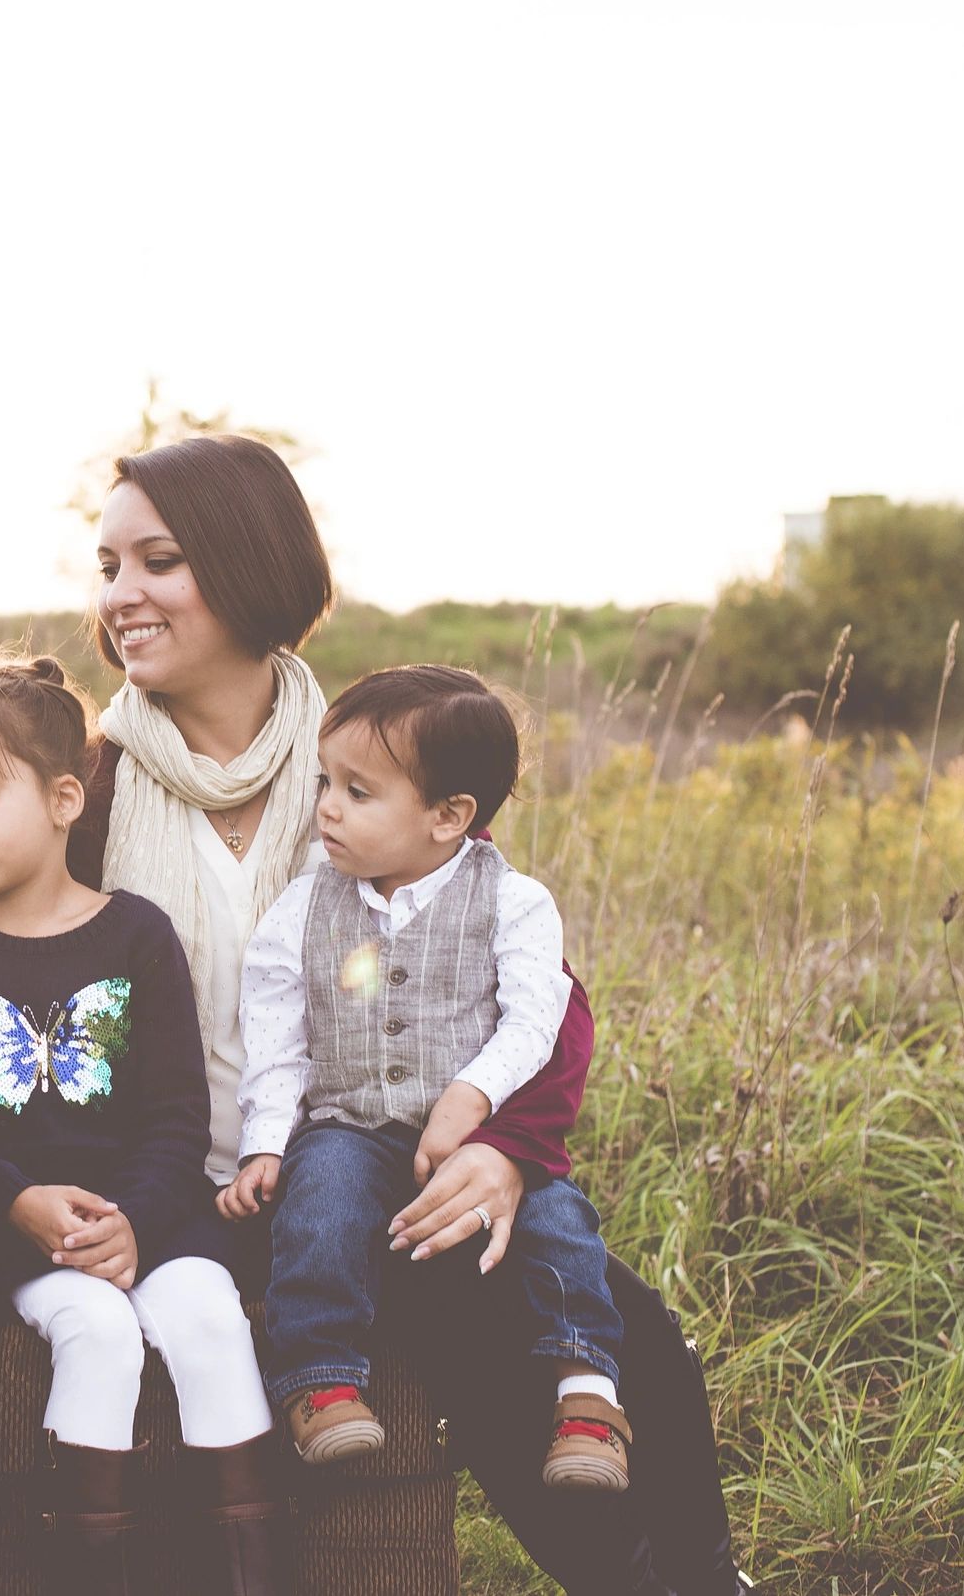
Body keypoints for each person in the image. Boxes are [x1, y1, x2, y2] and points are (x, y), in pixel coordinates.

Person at [66, 433, 750, 1595]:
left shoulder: (363, 763)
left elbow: (532, 995)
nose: (120, 595)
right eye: (107, 564)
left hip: (381, 1160)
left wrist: (498, 1149)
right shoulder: (88, 789)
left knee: (636, 1348)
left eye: (159, 560)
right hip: (198, 1189)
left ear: (244, 565)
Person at [0, 657, 288, 1596]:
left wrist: (136, 1217)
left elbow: (177, 1111)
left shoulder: (136, 933)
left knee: (208, 1314)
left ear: (67, 798)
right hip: (6, 1229)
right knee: (99, 1327)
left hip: (150, 1215)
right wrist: (18, 1200)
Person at [221, 666, 632, 1490]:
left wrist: (475, 1094)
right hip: (352, 1120)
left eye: (358, 791)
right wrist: (266, 1140)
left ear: (449, 817)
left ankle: (587, 1393)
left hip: (478, 1136)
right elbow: (276, 1026)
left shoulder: (513, 902)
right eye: (324, 782)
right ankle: (321, 1377)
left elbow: (534, 1017)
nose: (327, 806)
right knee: (322, 1194)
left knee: (558, 1219)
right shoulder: (309, 901)